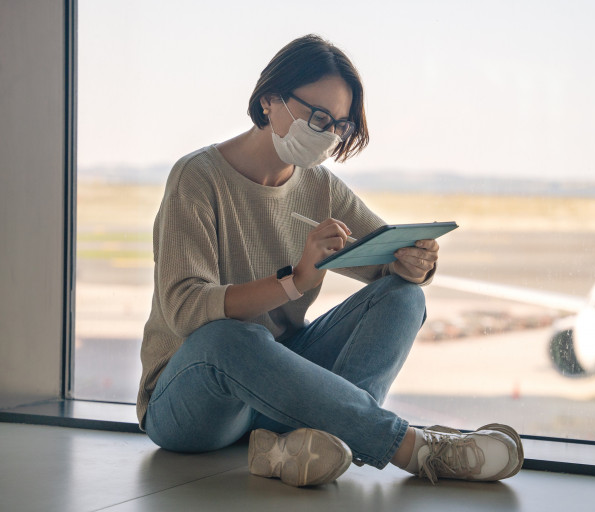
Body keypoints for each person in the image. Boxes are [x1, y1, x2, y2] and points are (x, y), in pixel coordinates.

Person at [137, 34, 524, 487]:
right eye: (318, 117)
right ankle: (416, 450)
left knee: (403, 297)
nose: (329, 134)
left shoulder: (319, 186)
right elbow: (185, 311)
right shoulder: (197, 178)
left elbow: (386, 258)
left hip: (276, 391)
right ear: (269, 101)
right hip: (192, 400)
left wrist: (417, 263)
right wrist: (295, 280)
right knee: (229, 339)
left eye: (340, 124)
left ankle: (303, 447)